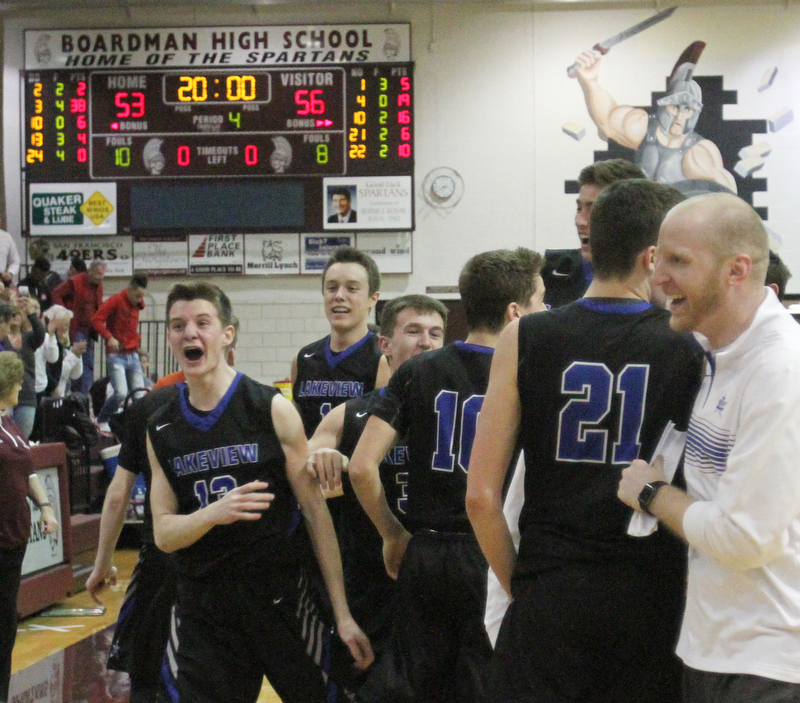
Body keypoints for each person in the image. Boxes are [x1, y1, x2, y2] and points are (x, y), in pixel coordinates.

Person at [467, 180, 704, 703]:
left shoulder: (525, 335)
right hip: (652, 595)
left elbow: (481, 498)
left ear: (593, 243)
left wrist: (523, 587)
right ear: (652, 257)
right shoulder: (689, 344)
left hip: (550, 590)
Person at [147, 282, 372, 703]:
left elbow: (315, 514)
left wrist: (341, 615)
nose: (189, 333)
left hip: (279, 598)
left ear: (227, 333)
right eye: (178, 325)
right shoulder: (161, 427)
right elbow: (163, 533)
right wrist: (214, 513)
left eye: (202, 322)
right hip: (205, 609)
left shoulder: (270, 408)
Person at [618, 193, 800, 702]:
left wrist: (653, 494)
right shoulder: (714, 352)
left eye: (678, 261)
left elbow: (746, 539)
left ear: (736, 270)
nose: (658, 278)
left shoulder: (779, 369)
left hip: (769, 662)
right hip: (714, 647)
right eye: (658, 259)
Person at [349, 248, 545, 703]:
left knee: (418, 688)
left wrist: (393, 534)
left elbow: (361, 466)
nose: (545, 312)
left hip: (427, 551)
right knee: (486, 684)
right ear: (515, 311)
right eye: (539, 301)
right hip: (491, 549)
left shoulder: (419, 369)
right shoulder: (528, 370)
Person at [87, 317, 239, 703]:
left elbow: (119, 493)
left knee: (153, 683)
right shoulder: (254, 404)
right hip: (216, 568)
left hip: (171, 567)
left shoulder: (154, 404)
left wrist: (102, 562)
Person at [307, 294, 447, 655]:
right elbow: (304, 478)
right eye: (413, 331)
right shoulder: (347, 415)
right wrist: (320, 459)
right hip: (371, 576)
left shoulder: (460, 410)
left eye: (435, 333)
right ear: (384, 343)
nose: (426, 342)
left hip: (438, 571)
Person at [572, 42, 736, 191]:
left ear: (695, 113)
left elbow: (727, 198)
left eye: (687, 110)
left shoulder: (699, 152)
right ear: (664, 105)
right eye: (674, 107)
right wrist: (591, 81)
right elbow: (608, 119)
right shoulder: (643, 127)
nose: (679, 116)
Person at [0, 351, 58, 702]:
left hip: (12, 540)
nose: (21, 386)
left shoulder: (10, 424)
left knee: (6, 627)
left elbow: (30, 471)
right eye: (17, 380)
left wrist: (46, 507)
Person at [292, 246, 389, 437]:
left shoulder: (382, 359)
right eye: (331, 288)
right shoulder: (303, 358)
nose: (339, 296)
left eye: (352, 289)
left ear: (373, 298)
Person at [543, 159, 645, 308]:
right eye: (579, 209)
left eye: (594, 209)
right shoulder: (547, 276)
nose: (579, 221)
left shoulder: (662, 283)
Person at [92, 274, 148, 431]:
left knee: (139, 395)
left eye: (142, 296)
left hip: (133, 354)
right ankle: (101, 419)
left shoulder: (138, 303)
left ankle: (138, 428)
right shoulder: (115, 301)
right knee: (121, 393)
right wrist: (109, 337)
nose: (139, 299)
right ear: (129, 289)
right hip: (116, 356)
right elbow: (96, 320)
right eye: (137, 295)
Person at [52, 259, 105, 394]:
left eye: (102, 274)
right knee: (79, 363)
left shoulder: (98, 286)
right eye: (98, 274)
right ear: (90, 271)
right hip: (76, 329)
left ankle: (84, 396)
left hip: (90, 330)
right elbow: (56, 294)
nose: (101, 277)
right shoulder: (75, 282)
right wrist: (64, 313)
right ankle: (78, 395)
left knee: (88, 365)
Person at [2, 296, 46, 438]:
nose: (15, 316)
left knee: (22, 439)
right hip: (5, 393)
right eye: (12, 314)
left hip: (26, 394)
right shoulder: (2, 337)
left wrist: (32, 313)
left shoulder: (28, 338)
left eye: (18, 313)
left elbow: (40, 333)